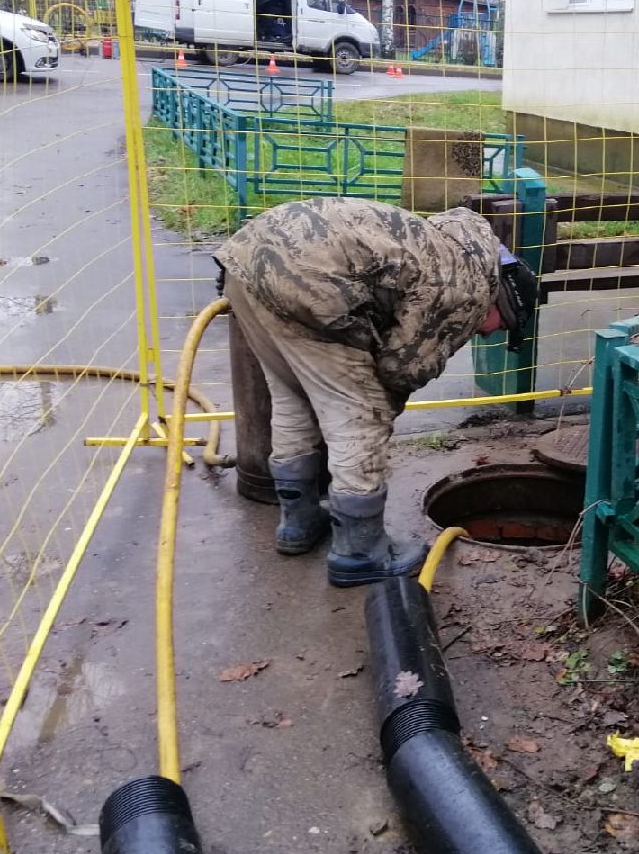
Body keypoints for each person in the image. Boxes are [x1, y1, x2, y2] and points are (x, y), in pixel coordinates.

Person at [215, 197, 538, 587]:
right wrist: (378, 409)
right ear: (502, 298)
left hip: (249, 259)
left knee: (292, 398)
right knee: (359, 415)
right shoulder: (469, 287)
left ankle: (298, 525)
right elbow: (401, 370)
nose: (489, 333)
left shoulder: (450, 244)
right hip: (311, 284)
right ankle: (359, 553)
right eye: (501, 325)